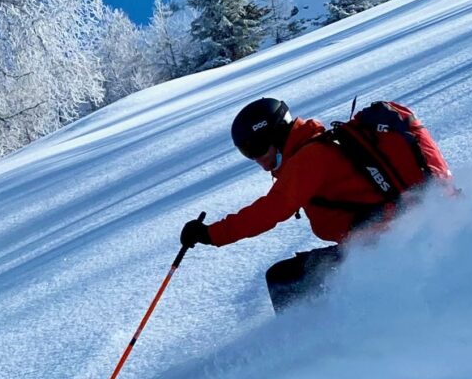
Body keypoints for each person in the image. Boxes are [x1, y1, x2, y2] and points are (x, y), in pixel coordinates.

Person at [179, 95, 451, 311]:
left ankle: (311, 349)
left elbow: (270, 211)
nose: (258, 161)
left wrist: (210, 234)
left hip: (388, 244)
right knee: (299, 273)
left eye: (258, 150)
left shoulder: (311, 157)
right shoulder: (317, 148)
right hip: (389, 239)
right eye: (248, 154)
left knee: (285, 278)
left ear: (275, 136)